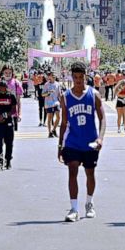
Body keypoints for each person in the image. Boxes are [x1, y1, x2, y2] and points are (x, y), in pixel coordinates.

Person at [58, 61, 105, 222]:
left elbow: (102, 118)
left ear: (86, 77)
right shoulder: (66, 97)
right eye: (75, 77)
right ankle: (73, 208)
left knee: (90, 173)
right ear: (72, 77)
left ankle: (89, 203)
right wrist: (60, 145)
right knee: (72, 171)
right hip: (72, 142)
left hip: (90, 142)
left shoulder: (94, 95)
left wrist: (100, 137)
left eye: (81, 77)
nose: (78, 80)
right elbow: (63, 123)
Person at [0, 80, 18, 171]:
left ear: (6, 87)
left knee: (9, 143)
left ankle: (8, 160)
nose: (2, 88)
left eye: (4, 87)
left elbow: (13, 110)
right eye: (0, 87)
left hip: (8, 122)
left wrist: (4, 115)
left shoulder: (11, 96)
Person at [42, 72, 63, 139]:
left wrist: (62, 101)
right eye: (52, 75)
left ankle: (54, 130)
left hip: (56, 102)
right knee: (50, 118)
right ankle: (49, 132)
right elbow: (43, 94)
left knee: (58, 117)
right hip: (49, 103)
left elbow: (59, 94)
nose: (53, 76)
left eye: (54, 75)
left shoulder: (57, 84)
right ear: (49, 77)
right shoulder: (46, 84)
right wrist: (48, 92)